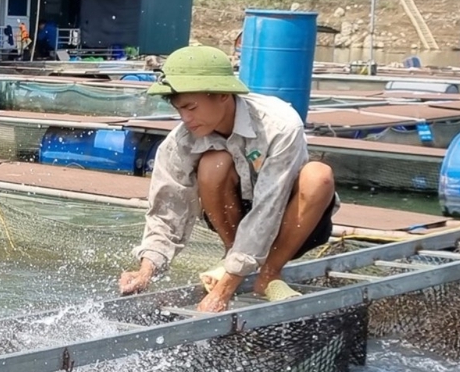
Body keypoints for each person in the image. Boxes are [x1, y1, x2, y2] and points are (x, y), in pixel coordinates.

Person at [118, 44, 338, 312]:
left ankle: (269, 273)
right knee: (213, 162)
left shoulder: (280, 125)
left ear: (223, 95)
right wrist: (146, 270)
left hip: (294, 223)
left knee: (319, 175)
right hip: (237, 220)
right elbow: (167, 210)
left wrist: (225, 288)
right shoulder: (179, 143)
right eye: (179, 110)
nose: (185, 118)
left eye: (191, 107)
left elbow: (269, 208)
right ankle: (231, 254)